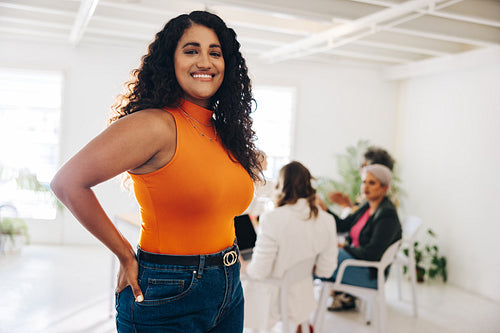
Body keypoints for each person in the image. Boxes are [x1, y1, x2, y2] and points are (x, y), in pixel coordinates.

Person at [50, 11, 261, 332]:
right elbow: (68, 183)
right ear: (170, 61)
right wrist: (124, 254)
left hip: (229, 286)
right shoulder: (155, 124)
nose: (204, 61)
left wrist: (229, 267)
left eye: (214, 53)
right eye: (191, 51)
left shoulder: (223, 133)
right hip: (169, 290)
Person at [240, 161, 338, 331]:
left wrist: (241, 264)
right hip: (302, 297)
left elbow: (258, 272)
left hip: (272, 298)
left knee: (237, 277)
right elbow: (325, 271)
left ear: (280, 186)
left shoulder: (272, 218)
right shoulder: (327, 220)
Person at [320, 164, 401, 311]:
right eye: (364, 182)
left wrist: (344, 247)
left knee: (322, 254)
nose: (366, 187)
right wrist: (325, 209)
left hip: (369, 274)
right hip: (354, 262)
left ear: (384, 188)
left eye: (371, 183)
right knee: (318, 256)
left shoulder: (386, 215)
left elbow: (371, 254)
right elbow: (343, 225)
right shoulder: (367, 206)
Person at [319, 146, 396, 216]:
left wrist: (344, 205)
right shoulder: (368, 198)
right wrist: (349, 205)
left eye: (364, 166)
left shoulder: (386, 209)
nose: (361, 170)